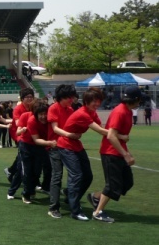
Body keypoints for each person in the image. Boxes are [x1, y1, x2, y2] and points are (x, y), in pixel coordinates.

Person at [57, 88, 114, 221]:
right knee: (76, 175)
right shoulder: (82, 114)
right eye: (94, 101)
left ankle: (70, 196)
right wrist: (119, 135)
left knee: (87, 176)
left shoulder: (92, 112)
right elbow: (101, 131)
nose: (97, 104)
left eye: (99, 101)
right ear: (87, 101)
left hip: (76, 145)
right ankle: (75, 210)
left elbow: (102, 127)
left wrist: (112, 132)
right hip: (66, 145)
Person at [88, 86, 142, 223]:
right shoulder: (120, 111)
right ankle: (98, 212)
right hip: (110, 152)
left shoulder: (128, 111)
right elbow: (111, 135)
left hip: (118, 151)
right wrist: (126, 154)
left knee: (127, 182)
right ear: (136, 99)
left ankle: (96, 197)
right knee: (113, 185)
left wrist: (124, 148)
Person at [8, 101, 56, 202]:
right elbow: (33, 138)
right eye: (41, 114)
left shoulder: (49, 120)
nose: (43, 116)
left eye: (45, 113)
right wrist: (50, 143)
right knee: (25, 171)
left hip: (40, 147)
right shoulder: (29, 118)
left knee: (36, 171)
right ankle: (22, 193)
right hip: (26, 146)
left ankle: (30, 190)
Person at [46, 84, 79, 219]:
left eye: (72, 97)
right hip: (55, 146)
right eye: (68, 97)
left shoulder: (70, 110)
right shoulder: (53, 108)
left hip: (67, 146)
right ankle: (53, 207)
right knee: (57, 175)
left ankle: (69, 196)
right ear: (61, 97)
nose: (71, 100)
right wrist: (70, 135)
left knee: (77, 174)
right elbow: (55, 128)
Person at [4, 88, 35, 180]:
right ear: (22, 98)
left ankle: (11, 171)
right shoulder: (18, 109)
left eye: (31, 97)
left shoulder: (33, 107)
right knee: (24, 152)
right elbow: (18, 123)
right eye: (27, 97)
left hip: (28, 131)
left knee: (24, 155)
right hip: (17, 132)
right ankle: (17, 174)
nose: (30, 99)